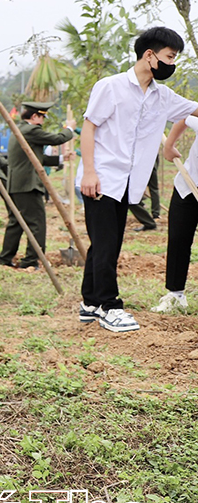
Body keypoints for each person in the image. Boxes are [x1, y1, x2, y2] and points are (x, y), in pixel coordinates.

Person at [80, 26, 197, 332]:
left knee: (105, 242)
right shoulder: (111, 87)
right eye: (170, 57)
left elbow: (193, 110)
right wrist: (90, 172)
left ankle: (90, 303)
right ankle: (110, 306)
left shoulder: (162, 96)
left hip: (127, 183)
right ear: (150, 56)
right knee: (106, 244)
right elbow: (89, 128)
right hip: (102, 177)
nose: (172, 64)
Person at [0, 102, 73, 269]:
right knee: (36, 223)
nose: (43, 121)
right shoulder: (31, 130)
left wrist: (62, 158)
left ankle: (5, 258)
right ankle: (30, 260)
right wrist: (70, 129)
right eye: (42, 117)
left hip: (17, 184)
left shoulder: (20, 130)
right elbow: (58, 139)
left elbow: (38, 157)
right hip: (28, 185)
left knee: (16, 222)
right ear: (34, 116)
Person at [153, 115, 198, 313]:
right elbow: (183, 118)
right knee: (178, 238)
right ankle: (175, 293)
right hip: (187, 185)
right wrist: (169, 145)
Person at [128, 150, 162, 231]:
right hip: (149, 164)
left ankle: (151, 219)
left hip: (143, 165)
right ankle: (155, 213)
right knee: (153, 189)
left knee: (130, 196)